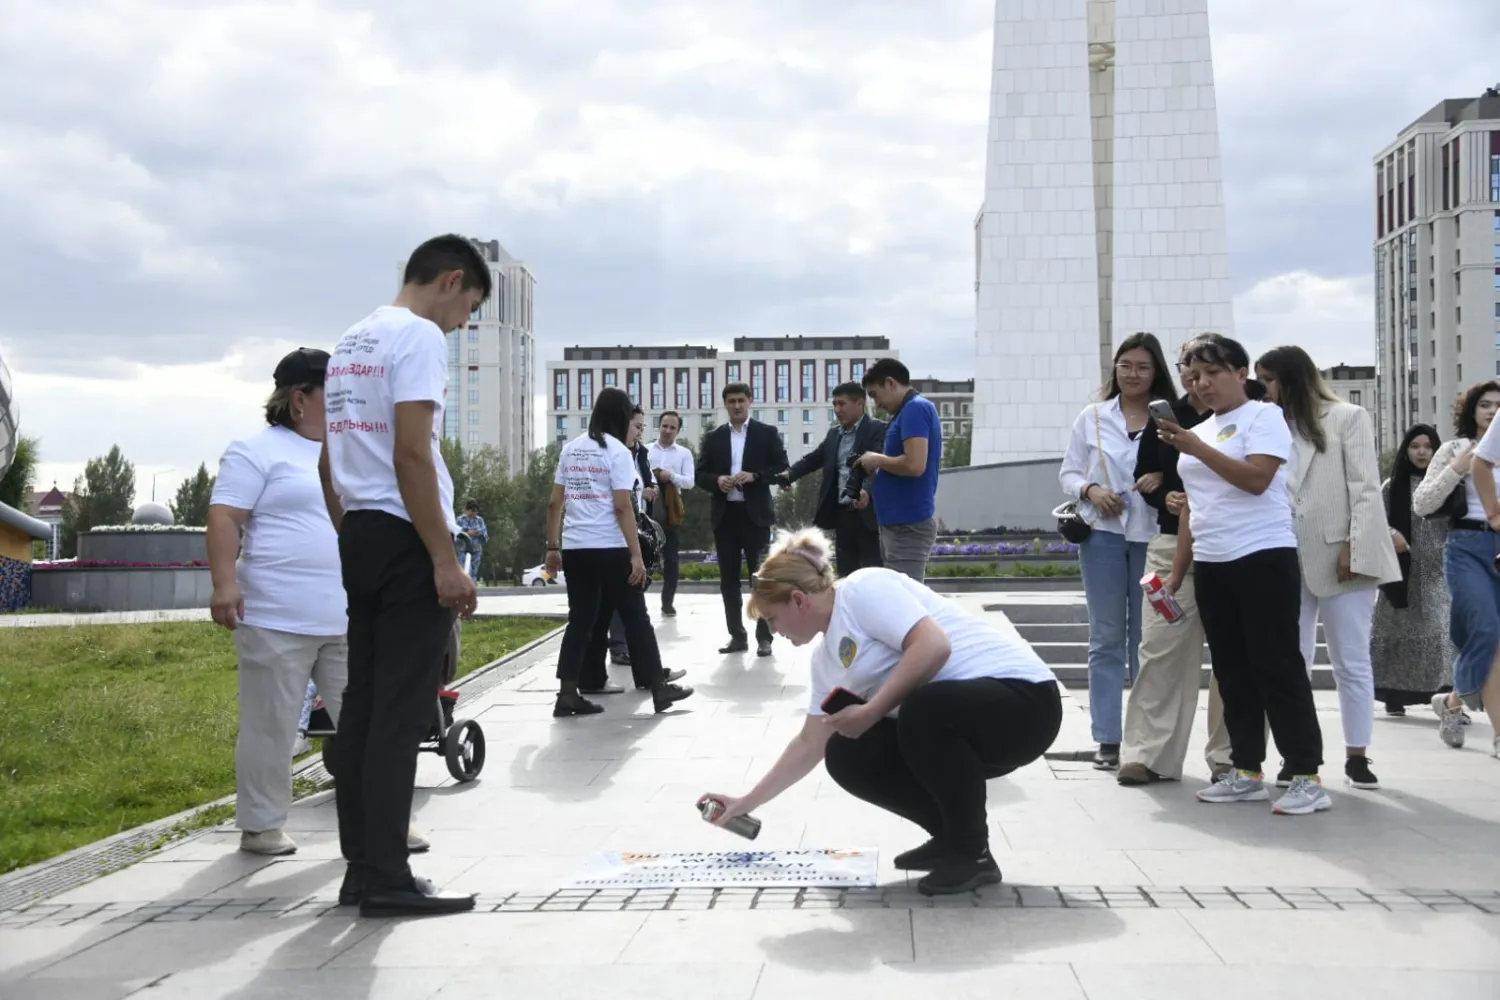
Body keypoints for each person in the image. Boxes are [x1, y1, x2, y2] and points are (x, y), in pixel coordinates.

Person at [699, 530, 1061, 896]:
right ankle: (953, 836)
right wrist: (746, 802)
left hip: (1024, 706)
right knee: (845, 752)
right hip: (965, 727)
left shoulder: (862, 589)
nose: (774, 632)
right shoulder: (825, 662)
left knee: (922, 708)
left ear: (798, 600)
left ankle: (973, 853)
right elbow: (810, 743)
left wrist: (872, 710)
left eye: (772, 620)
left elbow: (934, 646)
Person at [318, 234, 485, 917]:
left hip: (362, 530)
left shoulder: (351, 341)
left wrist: (353, 532)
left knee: (359, 708)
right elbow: (413, 454)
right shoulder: (418, 338)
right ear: (449, 281)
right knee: (400, 711)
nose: (463, 323)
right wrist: (444, 558)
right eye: (468, 306)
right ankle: (388, 875)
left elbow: (331, 462)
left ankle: (361, 868)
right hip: (407, 534)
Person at [1158, 333, 1330, 816]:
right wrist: (1177, 573)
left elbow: (1257, 480)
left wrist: (1193, 446)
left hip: (1262, 555)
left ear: (1241, 373)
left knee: (1276, 664)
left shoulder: (1263, 416)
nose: (1204, 384)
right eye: (1194, 376)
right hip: (1213, 561)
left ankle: (1305, 774)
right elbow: (1194, 507)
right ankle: (1246, 770)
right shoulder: (1202, 429)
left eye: (1214, 373)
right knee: (1231, 670)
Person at [208, 348, 347, 857]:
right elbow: (225, 518)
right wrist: (225, 584)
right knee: (270, 726)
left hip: (351, 615)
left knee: (372, 721)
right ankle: (262, 825)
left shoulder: (350, 451)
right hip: (276, 616)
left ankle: (383, 821)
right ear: (298, 400)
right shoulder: (257, 450)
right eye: (332, 394)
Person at [1256, 346, 1399, 791]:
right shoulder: (1267, 423)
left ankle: (1357, 754)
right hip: (1282, 555)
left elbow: (1365, 487)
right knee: (1289, 660)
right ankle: (1295, 754)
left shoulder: (1348, 417)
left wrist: (1355, 547)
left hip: (1339, 554)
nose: (1262, 390)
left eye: (1268, 380)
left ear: (1291, 378)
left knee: (1350, 659)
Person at [1118, 340, 1234, 784]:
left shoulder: (1250, 415)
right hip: (1171, 541)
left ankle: (1230, 755)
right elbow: (1147, 475)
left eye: (1208, 368)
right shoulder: (1165, 418)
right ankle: (1148, 754)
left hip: (1232, 547)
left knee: (1232, 658)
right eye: (1189, 366)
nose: (1197, 377)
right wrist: (1162, 492)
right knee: (1160, 651)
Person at [1058, 332, 1175, 770]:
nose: (1132, 374)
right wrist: (1090, 489)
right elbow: (1068, 473)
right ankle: (1107, 737)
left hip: (1154, 538)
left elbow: (1191, 470)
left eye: (1142, 366)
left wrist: (1162, 480)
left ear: (1156, 372)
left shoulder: (1172, 418)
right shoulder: (1091, 417)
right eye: (1125, 365)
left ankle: (1144, 738)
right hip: (1102, 535)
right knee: (1105, 637)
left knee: (1146, 640)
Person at [546, 386, 694, 717]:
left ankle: (567, 693)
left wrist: (551, 547)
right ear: (621, 416)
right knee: (636, 617)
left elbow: (555, 501)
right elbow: (622, 507)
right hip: (610, 547)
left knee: (579, 620)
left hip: (575, 548)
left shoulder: (571, 449)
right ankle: (659, 688)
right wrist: (636, 556)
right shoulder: (617, 452)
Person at [1414, 381, 1500, 755]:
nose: (1492, 411)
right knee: (1485, 627)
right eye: (1485, 404)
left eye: (1499, 404)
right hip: (1466, 546)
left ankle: (1452, 702)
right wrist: (1455, 469)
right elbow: (1422, 503)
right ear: (1471, 409)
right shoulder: (1455, 448)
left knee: (1496, 642)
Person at [695, 382, 789, 656]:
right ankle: (737, 635)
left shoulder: (766, 433)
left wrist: (755, 477)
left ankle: (764, 637)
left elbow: (782, 468)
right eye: (731, 401)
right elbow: (700, 474)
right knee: (728, 581)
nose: (736, 406)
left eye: (741, 400)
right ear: (725, 404)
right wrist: (717, 480)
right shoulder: (713, 438)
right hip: (725, 518)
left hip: (756, 517)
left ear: (750, 401)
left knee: (760, 579)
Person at [1372, 425, 1457, 715]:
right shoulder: (1390, 487)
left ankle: (1448, 699)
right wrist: (1392, 533)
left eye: (1428, 446)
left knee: (1442, 635)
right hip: (1401, 573)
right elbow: (1376, 522)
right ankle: (1395, 695)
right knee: (1396, 636)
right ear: (1406, 450)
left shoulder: (1447, 485)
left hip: (1439, 572)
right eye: (1415, 446)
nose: (1422, 452)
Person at [777, 381, 886, 576]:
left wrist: (866, 491)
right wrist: (789, 475)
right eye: (834, 404)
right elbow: (814, 458)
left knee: (874, 573)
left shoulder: (878, 429)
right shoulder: (834, 434)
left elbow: (879, 466)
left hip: (870, 514)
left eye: (842, 404)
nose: (837, 409)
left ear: (860, 403)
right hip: (842, 513)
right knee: (846, 573)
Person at [857, 359, 942, 582]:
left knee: (906, 602)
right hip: (898, 522)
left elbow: (915, 465)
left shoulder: (915, 409)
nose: (876, 404)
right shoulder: (906, 412)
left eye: (875, 395)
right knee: (899, 598)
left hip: (908, 523)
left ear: (890, 383)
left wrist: (877, 460)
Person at [647, 410, 695, 617]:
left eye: (672, 428)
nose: (667, 431)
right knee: (644, 554)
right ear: (659, 426)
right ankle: (637, 599)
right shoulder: (646, 450)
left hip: (672, 510)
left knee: (672, 560)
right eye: (664, 426)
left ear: (678, 430)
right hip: (648, 508)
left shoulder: (684, 453)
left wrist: (671, 476)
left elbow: (690, 482)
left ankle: (668, 602)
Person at [455, 500, 487, 583]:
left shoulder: (479, 520)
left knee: (474, 570)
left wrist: (479, 533)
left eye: (476, 511)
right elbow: (456, 533)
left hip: (476, 548)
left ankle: (473, 586)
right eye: (472, 510)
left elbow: (484, 533)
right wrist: (468, 533)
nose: (474, 513)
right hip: (463, 548)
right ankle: (464, 585)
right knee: (465, 569)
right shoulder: (460, 520)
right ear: (467, 510)